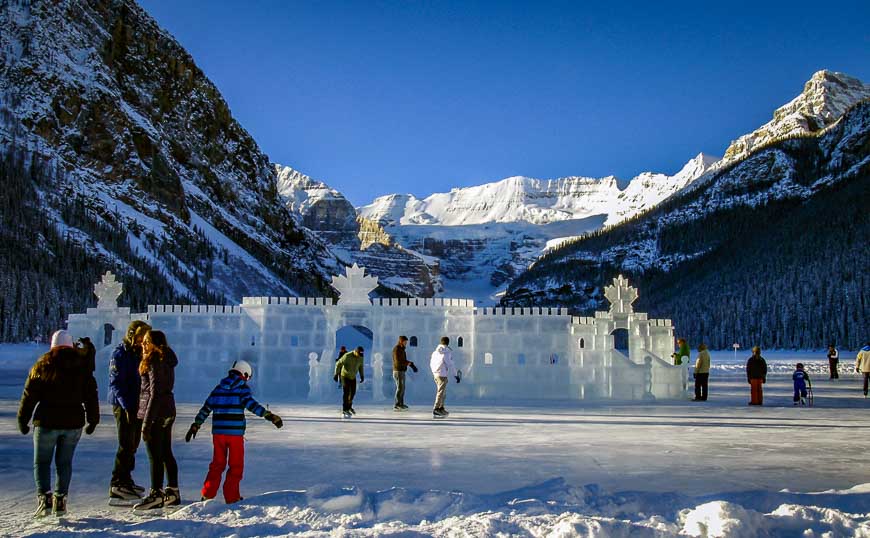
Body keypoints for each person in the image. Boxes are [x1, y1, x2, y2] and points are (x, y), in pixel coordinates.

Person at [17, 330, 99, 518]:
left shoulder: (43, 365)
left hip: (47, 421)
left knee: (42, 462)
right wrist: (93, 420)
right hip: (73, 422)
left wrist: (23, 419)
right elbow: (91, 395)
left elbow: (29, 396)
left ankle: (44, 499)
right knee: (64, 463)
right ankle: (60, 500)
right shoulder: (82, 367)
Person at [185, 360, 283, 504]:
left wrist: (196, 424)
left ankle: (207, 494)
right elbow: (252, 405)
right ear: (244, 373)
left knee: (217, 464)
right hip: (235, 434)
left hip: (218, 433)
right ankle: (232, 497)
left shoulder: (218, 388)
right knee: (236, 465)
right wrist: (269, 415)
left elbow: (206, 407)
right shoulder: (242, 388)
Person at [134, 330, 179, 511]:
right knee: (166, 451)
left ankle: (156, 494)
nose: (143, 345)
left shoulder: (154, 360)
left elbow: (155, 392)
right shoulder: (167, 359)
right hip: (168, 410)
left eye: (147, 342)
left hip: (157, 412)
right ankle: (173, 491)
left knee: (155, 455)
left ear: (156, 343)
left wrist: (147, 422)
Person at [108, 320, 151, 501]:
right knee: (125, 443)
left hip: (138, 404)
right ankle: (117, 482)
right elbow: (116, 383)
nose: (143, 340)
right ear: (133, 335)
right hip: (124, 405)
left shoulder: (139, 353)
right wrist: (126, 406)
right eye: (141, 336)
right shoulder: (120, 353)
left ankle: (126, 478)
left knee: (133, 443)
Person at [430, 336, 459, 418]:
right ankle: (436, 409)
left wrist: (434, 372)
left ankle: (441, 408)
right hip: (442, 375)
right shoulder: (446, 353)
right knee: (441, 392)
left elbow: (431, 363)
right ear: (448, 343)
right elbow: (450, 364)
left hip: (436, 375)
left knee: (443, 393)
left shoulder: (435, 352)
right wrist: (456, 375)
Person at [334, 346, 365, 418]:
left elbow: (361, 367)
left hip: (353, 377)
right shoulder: (347, 356)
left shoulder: (361, 357)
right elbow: (338, 363)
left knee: (353, 393)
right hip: (344, 376)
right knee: (346, 392)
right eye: (359, 354)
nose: (360, 356)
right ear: (356, 352)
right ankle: (345, 409)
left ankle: (349, 406)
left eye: (361, 355)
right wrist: (336, 374)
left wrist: (362, 376)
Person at [392, 336, 418, 410]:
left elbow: (403, 360)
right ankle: (397, 404)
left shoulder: (402, 349)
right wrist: (409, 363)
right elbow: (398, 361)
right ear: (401, 341)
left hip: (402, 371)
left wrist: (410, 364)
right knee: (400, 388)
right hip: (398, 371)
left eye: (406, 342)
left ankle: (401, 404)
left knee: (402, 388)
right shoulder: (397, 349)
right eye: (405, 342)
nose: (406, 343)